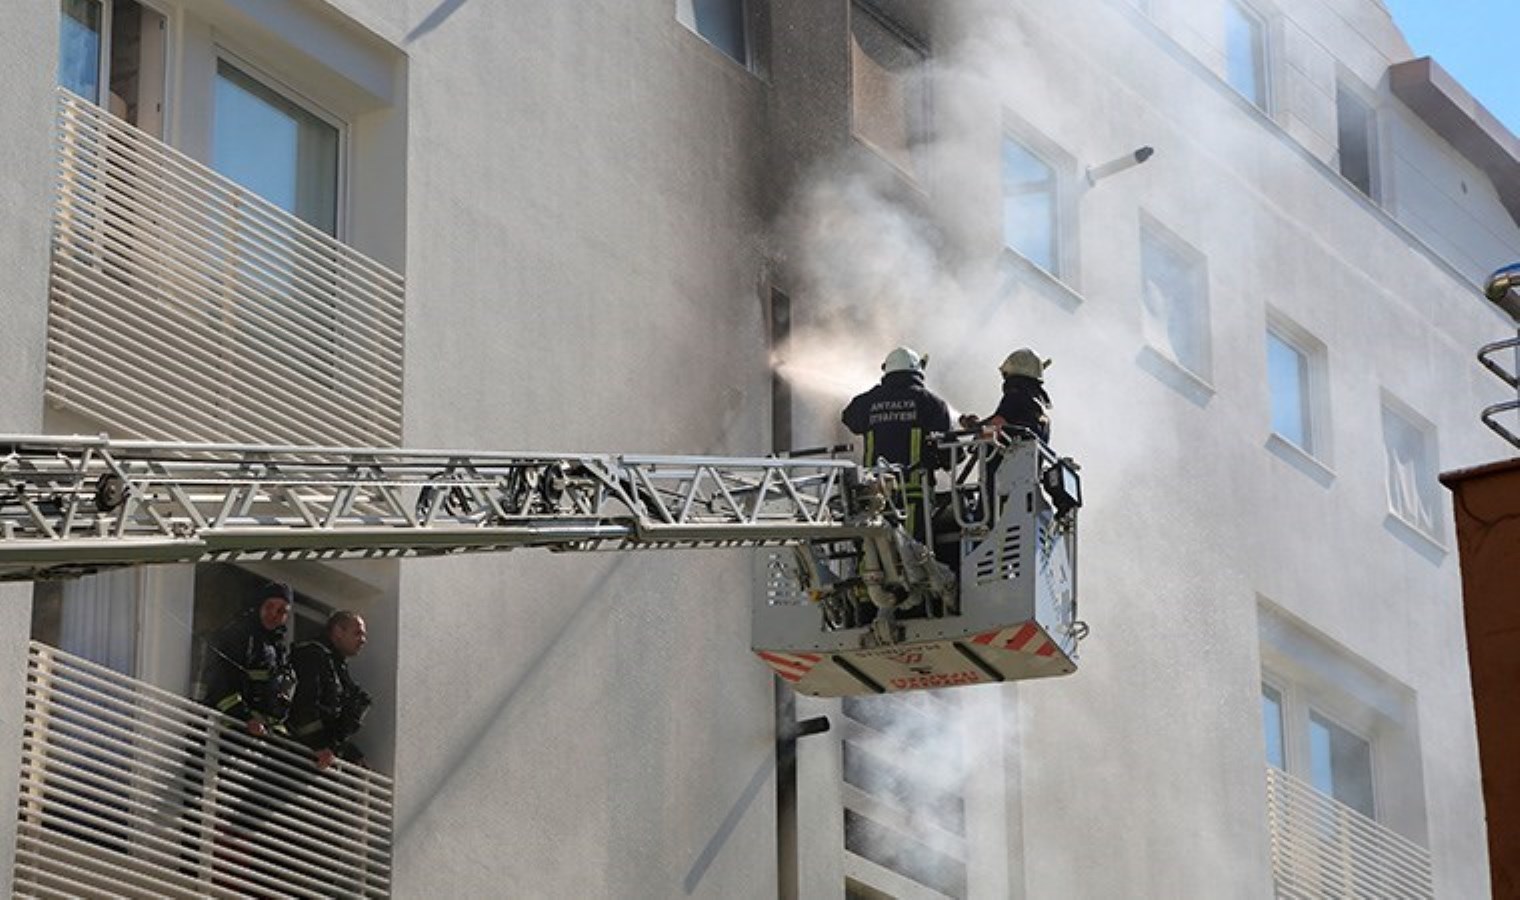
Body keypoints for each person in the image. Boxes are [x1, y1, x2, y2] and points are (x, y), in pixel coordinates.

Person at [842, 346, 953, 542]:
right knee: (912, 556)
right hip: (914, 495)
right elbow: (949, 456)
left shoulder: (868, 402)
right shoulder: (931, 404)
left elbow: (849, 418)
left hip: (874, 495)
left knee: (874, 554)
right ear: (917, 371)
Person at [201, 582, 298, 738]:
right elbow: (219, 682)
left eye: (281, 611)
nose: (274, 614)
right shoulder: (239, 635)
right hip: (229, 732)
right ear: (259, 605)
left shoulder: (279, 650)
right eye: (269, 606)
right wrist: (244, 718)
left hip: (261, 739)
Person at [289, 610, 373, 770]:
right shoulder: (312, 656)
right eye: (358, 633)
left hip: (315, 761)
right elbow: (304, 706)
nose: (363, 641)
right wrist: (319, 745)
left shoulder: (338, 668)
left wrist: (349, 752)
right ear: (338, 632)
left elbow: (335, 727)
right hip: (296, 758)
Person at [959, 348, 1052, 443]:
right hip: (1029, 455)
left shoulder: (1016, 394)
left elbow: (996, 425)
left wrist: (977, 428)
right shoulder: (1041, 407)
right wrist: (979, 424)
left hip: (1011, 454)